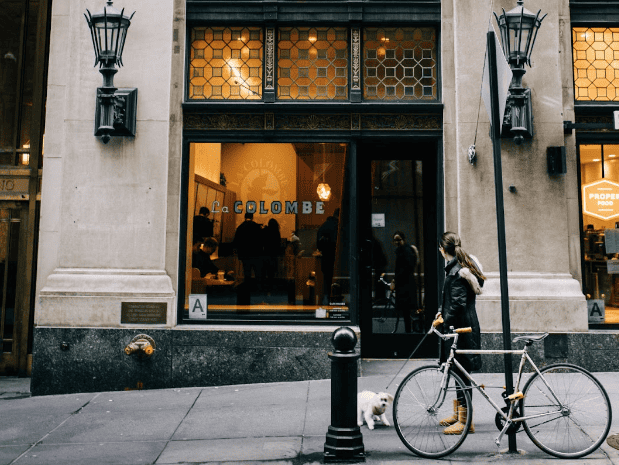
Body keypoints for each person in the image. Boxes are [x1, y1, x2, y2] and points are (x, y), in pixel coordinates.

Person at [436, 231, 485, 435]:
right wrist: (441, 311)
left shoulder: (457, 272)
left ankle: (466, 422)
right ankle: (459, 415)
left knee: (462, 373)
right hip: (462, 327)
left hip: (462, 329)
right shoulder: (457, 268)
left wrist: (443, 320)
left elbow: (457, 305)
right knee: (457, 371)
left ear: (442, 249)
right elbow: (452, 301)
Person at [390, 231, 418, 333]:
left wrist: (396, 279)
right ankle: (408, 331)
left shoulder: (405, 251)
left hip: (405, 286)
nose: (396, 242)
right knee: (407, 311)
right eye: (395, 240)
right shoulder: (403, 251)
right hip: (405, 285)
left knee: (406, 311)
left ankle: (408, 332)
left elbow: (405, 268)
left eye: (398, 240)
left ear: (403, 240)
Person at [232, 212, 264, 290]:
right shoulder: (257, 226)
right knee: (257, 271)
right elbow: (262, 239)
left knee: (247, 271)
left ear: (244, 217)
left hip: (244, 254)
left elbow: (236, 241)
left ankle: (247, 287)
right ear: (252, 217)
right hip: (256, 253)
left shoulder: (240, 227)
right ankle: (258, 287)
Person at [317, 208, 339, 304]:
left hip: (326, 258)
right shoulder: (338, 226)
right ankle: (335, 302)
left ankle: (326, 301)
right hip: (336, 259)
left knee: (327, 281)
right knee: (336, 282)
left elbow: (319, 244)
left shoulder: (324, 226)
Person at [262, 218, 282, 292]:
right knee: (271, 273)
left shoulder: (265, 231)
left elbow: (262, 241)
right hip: (273, 254)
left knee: (264, 272)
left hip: (265, 253)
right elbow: (278, 243)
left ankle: (263, 287)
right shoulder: (276, 232)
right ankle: (271, 287)